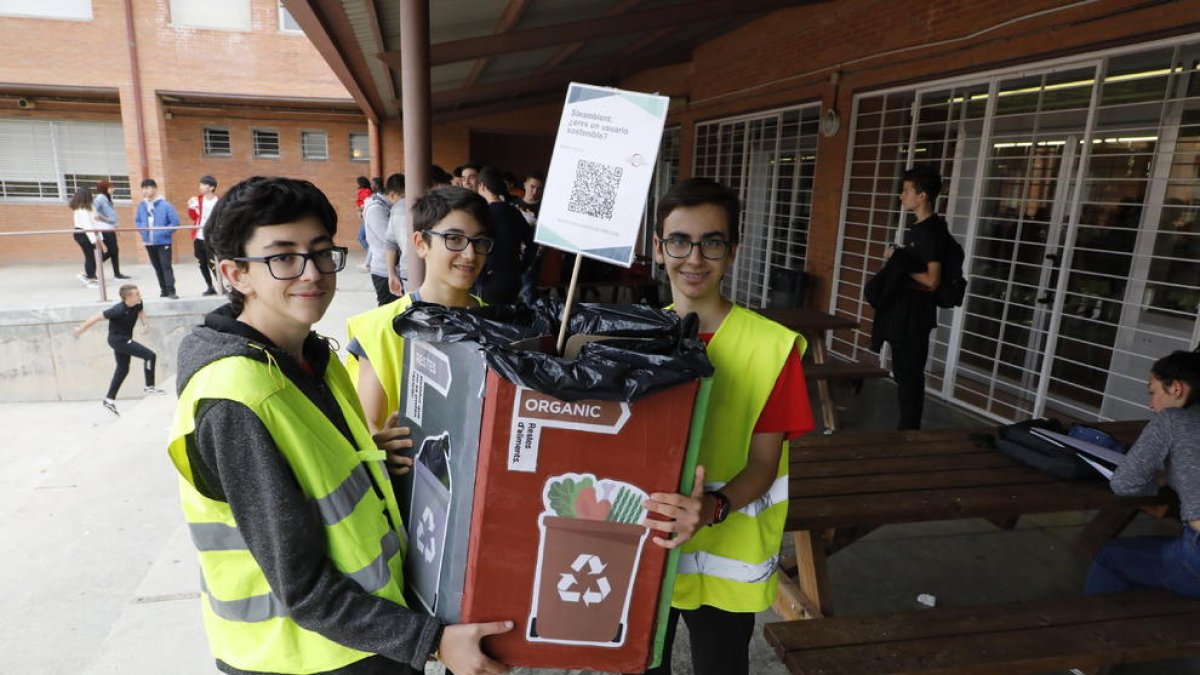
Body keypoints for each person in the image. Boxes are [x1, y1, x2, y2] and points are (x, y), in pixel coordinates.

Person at [168, 176, 512, 675]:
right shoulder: (236, 399)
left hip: (364, 635)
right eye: (282, 257)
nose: (311, 272)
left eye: (322, 252)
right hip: (303, 657)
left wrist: (374, 458)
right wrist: (432, 642)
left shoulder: (312, 357)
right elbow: (303, 589)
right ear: (235, 273)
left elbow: (323, 487)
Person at [639, 178, 814, 675]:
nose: (694, 258)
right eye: (679, 241)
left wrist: (710, 508)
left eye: (711, 242)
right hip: (645, 548)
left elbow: (764, 463)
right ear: (658, 248)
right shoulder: (632, 339)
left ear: (731, 251)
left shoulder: (773, 347)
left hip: (726, 559)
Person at [346, 186, 493, 433]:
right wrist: (383, 447)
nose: (469, 254)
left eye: (479, 242)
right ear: (420, 243)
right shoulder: (380, 329)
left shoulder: (499, 325)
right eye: (454, 239)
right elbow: (368, 426)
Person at [1085, 349, 1200, 599]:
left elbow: (1125, 484)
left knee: (1111, 557)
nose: (1151, 404)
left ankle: (1098, 633)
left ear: (1176, 389)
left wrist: (1155, 485)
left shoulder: (1172, 420)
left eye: (1153, 392)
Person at [883, 164, 947, 430]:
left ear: (923, 196)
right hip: (906, 314)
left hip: (917, 317)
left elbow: (932, 280)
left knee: (910, 376)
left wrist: (898, 260)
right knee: (903, 373)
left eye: (907, 190)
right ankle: (906, 428)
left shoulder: (932, 231)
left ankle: (908, 432)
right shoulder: (918, 229)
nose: (902, 196)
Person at [72, 284, 165, 416]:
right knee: (150, 355)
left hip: (124, 339)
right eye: (137, 294)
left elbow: (141, 312)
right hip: (117, 340)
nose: (140, 296)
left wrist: (145, 324)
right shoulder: (118, 310)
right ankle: (149, 386)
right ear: (128, 297)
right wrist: (81, 329)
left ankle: (109, 400)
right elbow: (97, 317)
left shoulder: (138, 303)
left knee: (123, 369)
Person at [475, 166, 534, 305]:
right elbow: (532, 242)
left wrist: (481, 277)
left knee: (488, 322)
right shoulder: (514, 212)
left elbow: (477, 247)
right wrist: (523, 266)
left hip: (490, 278)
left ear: (482, 186)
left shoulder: (483, 215)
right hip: (513, 278)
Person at [134, 178, 181, 299]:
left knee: (166, 266)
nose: (145, 191)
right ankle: (163, 290)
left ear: (155, 188)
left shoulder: (165, 205)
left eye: (148, 188)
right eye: (143, 188)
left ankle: (171, 290)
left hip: (163, 241)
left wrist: (162, 232)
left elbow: (175, 222)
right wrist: (142, 231)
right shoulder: (142, 205)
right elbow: (138, 220)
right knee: (157, 267)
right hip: (149, 242)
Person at [363, 173, 406, 305]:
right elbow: (392, 239)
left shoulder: (386, 206)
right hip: (384, 271)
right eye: (403, 197)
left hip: (392, 269)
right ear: (392, 195)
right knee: (388, 313)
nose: (405, 202)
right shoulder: (376, 209)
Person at [187, 175, 220, 296]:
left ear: (211, 187)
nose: (200, 187)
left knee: (213, 262)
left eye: (203, 185)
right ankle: (209, 286)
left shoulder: (219, 202)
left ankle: (221, 285)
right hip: (199, 236)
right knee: (201, 262)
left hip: (212, 238)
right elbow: (193, 217)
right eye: (200, 184)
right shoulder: (198, 200)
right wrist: (191, 207)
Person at [93, 180, 130, 279]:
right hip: (103, 227)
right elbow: (92, 210)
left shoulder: (107, 198)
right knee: (112, 250)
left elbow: (112, 215)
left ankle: (117, 274)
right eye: (111, 187)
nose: (113, 189)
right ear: (105, 188)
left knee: (115, 250)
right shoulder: (100, 197)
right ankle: (91, 268)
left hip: (109, 227)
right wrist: (104, 218)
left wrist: (116, 228)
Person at [70, 187, 105, 287]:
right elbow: (87, 226)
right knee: (89, 256)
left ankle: (91, 275)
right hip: (83, 233)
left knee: (91, 256)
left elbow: (94, 222)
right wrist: (94, 240)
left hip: (85, 233)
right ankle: (90, 278)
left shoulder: (87, 208)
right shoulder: (82, 209)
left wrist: (99, 238)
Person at [355, 175, 372, 268]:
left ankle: (372, 255)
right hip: (365, 217)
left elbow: (365, 203)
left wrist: (360, 209)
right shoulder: (362, 191)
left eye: (358, 182)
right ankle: (370, 257)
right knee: (363, 237)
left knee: (361, 237)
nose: (356, 184)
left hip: (367, 217)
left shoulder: (367, 191)